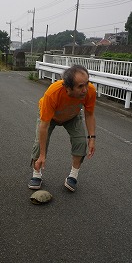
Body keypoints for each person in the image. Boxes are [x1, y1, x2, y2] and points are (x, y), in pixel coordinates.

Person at [28, 64, 96, 192]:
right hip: (51, 117)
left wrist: (92, 137)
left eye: (87, 83)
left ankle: (73, 176)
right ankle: (36, 174)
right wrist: (42, 155)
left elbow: (89, 114)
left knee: (80, 142)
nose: (85, 89)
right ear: (67, 88)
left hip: (72, 115)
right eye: (80, 86)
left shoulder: (90, 90)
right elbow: (44, 126)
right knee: (39, 144)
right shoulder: (53, 93)